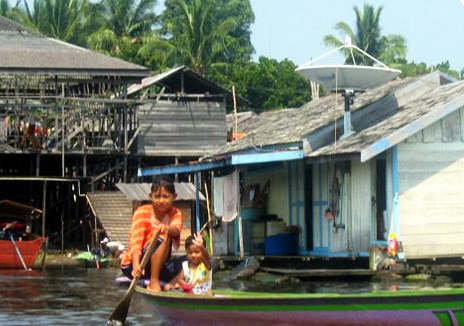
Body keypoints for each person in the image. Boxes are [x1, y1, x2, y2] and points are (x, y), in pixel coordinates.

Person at [120, 176, 183, 292]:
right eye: (157, 196)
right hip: (137, 264)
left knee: (188, 260)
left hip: (158, 265)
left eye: (166, 196)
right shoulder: (142, 212)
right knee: (164, 234)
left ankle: (172, 284)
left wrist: (164, 227)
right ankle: (153, 282)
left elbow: (176, 230)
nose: (161, 201)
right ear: (151, 197)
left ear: (174, 197)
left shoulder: (175, 213)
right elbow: (136, 242)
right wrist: (136, 265)